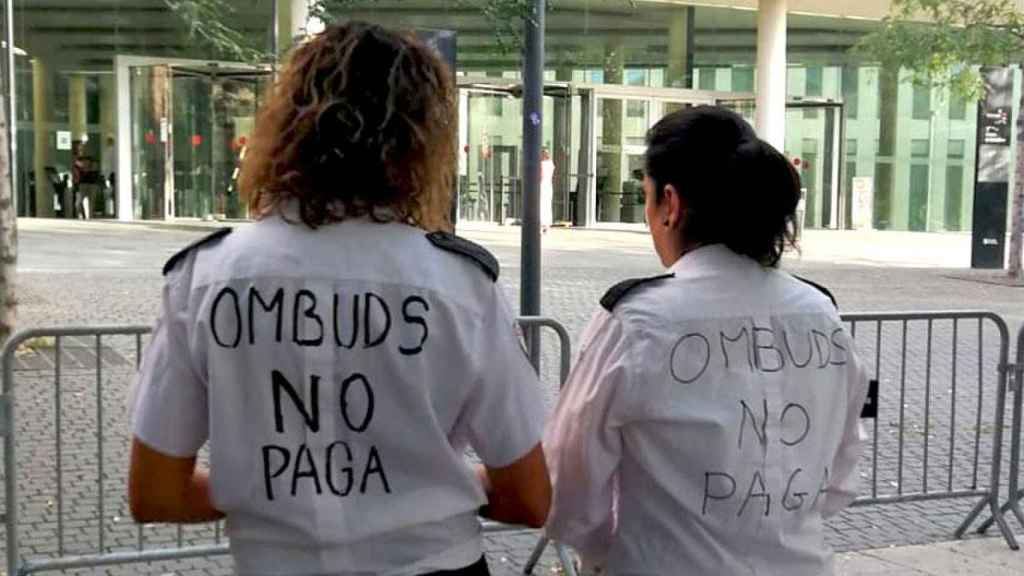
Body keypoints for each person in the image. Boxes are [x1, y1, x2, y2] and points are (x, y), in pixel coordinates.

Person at [128, 22, 550, 576]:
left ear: (285, 126)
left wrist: (265, 494)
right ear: (420, 141)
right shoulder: (459, 285)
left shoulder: (204, 277)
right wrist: (428, 484)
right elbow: (529, 498)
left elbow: (155, 492)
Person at [543, 106, 870, 575]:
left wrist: (600, 553)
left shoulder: (638, 320)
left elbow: (568, 480)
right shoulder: (821, 315)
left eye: (648, 198)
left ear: (670, 205)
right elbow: (840, 474)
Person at [540, 149, 555, 233]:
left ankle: (541, 223)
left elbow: (541, 175)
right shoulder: (551, 164)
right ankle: (547, 224)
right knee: (547, 205)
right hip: (548, 185)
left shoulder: (541, 164)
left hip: (542, 185)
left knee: (541, 205)